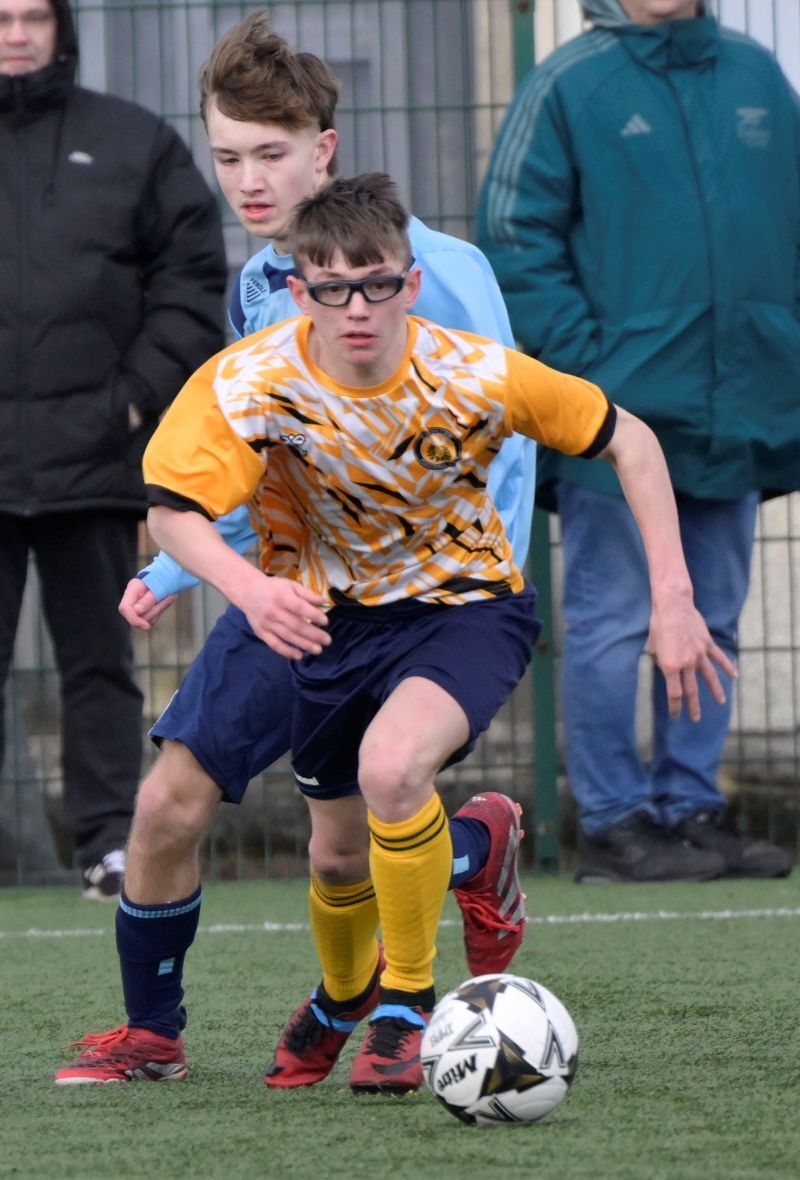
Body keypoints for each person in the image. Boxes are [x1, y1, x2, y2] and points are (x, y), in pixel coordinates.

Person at [126, 173, 728, 1095]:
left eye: (377, 284)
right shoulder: (250, 380)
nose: (357, 309)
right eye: (333, 288)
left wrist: (673, 597)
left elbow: (631, 441)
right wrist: (249, 589)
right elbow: (171, 512)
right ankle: (354, 984)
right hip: (330, 622)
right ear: (299, 292)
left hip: (465, 609)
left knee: (392, 768)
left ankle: (407, 1007)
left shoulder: (473, 371)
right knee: (338, 855)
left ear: (410, 284)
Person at [54, 14, 534, 1087]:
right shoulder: (258, 286)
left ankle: (414, 960)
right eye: (227, 156)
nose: (248, 180)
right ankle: (153, 1035)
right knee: (165, 803)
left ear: (325, 148)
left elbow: (504, 441)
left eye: (269, 154)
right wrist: (174, 565)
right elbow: (268, 457)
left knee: (357, 828)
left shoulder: (438, 271)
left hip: (426, 605)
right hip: (293, 594)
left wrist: (465, 589)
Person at [476, 0, 797, 883]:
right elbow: (513, 240)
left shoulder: (758, 75)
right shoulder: (566, 85)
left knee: (713, 614)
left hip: (738, 403)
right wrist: (590, 375)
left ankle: (691, 807)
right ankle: (615, 821)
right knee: (614, 620)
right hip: (615, 422)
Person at [0, 0, 227, 898]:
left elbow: (192, 277)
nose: (17, 34)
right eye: (1, 17)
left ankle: (106, 844)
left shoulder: (133, 142)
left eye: (33, 17)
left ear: (62, 26)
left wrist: (133, 399)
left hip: (95, 458)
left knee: (100, 661)